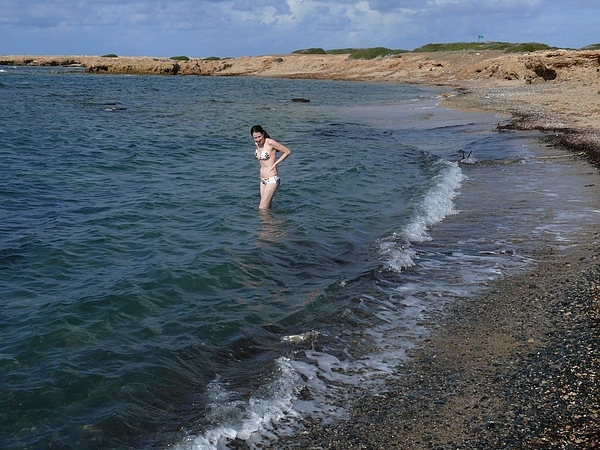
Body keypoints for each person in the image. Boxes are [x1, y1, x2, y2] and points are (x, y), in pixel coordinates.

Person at [250, 125, 292, 210]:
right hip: (262, 180)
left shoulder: (270, 142)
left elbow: (287, 152)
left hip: (272, 178)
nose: (258, 139)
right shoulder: (257, 144)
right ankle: (272, 219)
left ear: (263, 134)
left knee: (262, 208)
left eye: (259, 137)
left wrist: (276, 163)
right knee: (267, 208)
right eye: (255, 138)